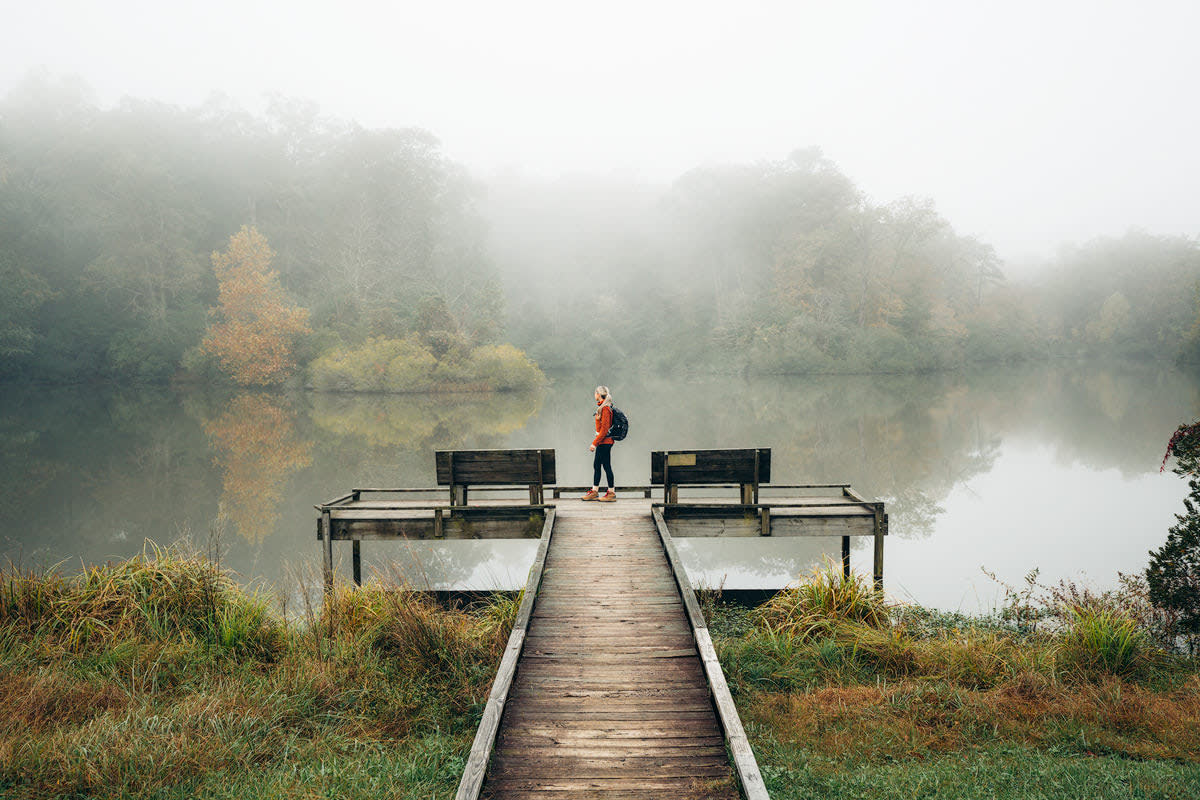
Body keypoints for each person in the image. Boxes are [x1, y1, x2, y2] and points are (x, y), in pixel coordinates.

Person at [582, 385, 616, 501]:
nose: (594, 395)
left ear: (598, 394)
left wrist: (594, 443)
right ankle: (609, 492)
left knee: (597, 465)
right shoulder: (603, 407)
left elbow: (604, 430)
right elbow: (601, 428)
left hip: (604, 442)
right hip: (604, 442)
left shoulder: (606, 409)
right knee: (605, 466)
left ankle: (596, 491)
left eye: (595, 393)